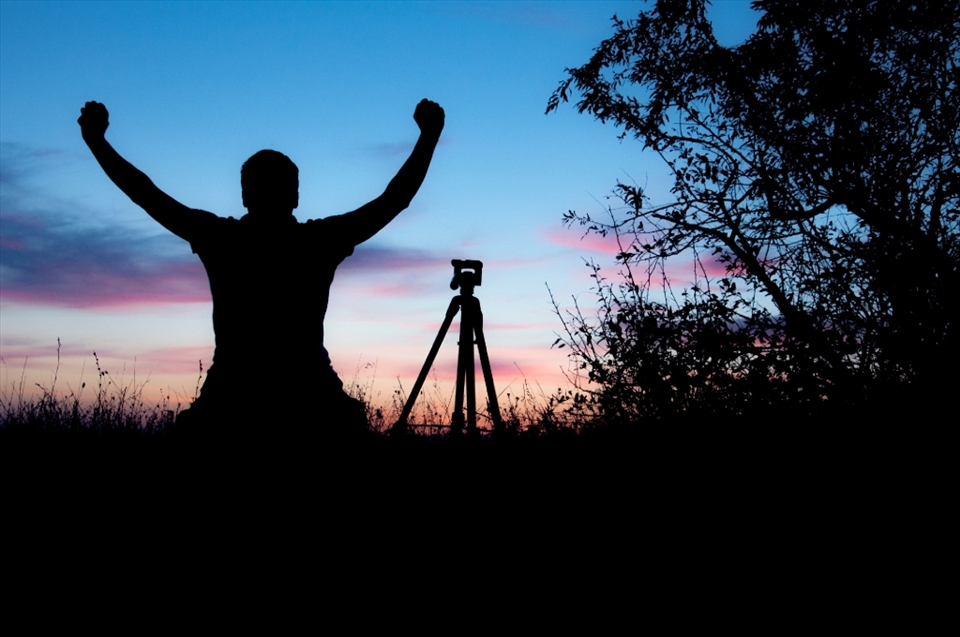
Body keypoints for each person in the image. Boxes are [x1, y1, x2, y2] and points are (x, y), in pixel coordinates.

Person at [78, 99, 445, 440]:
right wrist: (429, 137)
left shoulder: (221, 238)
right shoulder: (318, 240)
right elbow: (395, 199)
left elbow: (145, 193)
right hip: (308, 395)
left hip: (233, 395)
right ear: (296, 196)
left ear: (244, 195)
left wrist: (97, 142)